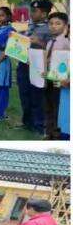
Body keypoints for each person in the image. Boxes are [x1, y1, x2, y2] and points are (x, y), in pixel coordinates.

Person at [16, 0, 53, 135]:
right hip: (24, 65)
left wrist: (40, 42)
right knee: (24, 95)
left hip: (38, 67)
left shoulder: (50, 28)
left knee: (37, 96)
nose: (31, 14)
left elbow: (53, 49)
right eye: (31, 10)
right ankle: (27, 122)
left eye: (35, 11)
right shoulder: (30, 26)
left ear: (44, 14)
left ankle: (39, 125)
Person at [43, 12, 70, 140]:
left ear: (65, 26)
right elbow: (48, 60)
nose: (54, 26)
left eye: (58, 23)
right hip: (48, 79)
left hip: (60, 81)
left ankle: (56, 134)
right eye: (51, 23)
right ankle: (48, 132)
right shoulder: (49, 43)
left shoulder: (66, 43)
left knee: (57, 107)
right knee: (48, 106)